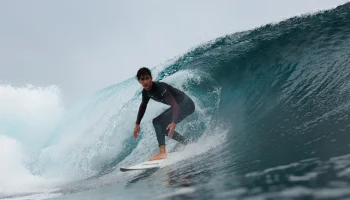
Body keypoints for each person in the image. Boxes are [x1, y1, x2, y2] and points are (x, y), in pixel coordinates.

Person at [133, 67, 195, 161]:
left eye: (147, 78)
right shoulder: (145, 92)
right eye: (142, 79)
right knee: (164, 128)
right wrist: (137, 124)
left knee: (157, 121)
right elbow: (143, 106)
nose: (145, 81)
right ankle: (187, 143)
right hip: (180, 106)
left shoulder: (160, 88)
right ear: (139, 81)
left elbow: (175, 106)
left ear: (151, 78)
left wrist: (174, 123)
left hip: (186, 104)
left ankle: (162, 152)